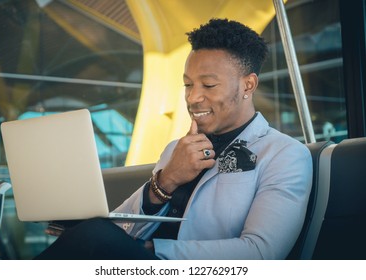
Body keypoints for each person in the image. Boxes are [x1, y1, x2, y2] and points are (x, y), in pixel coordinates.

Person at [35, 18, 312, 260]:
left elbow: (261, 253)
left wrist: (150, 250)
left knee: (94, 236)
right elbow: (120, 228)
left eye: (209, 85)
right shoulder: (175, 150)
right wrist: (166, 181)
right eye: (188, 84)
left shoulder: (284, 154)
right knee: (90, 230)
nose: (192, 97)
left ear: (248, 85)